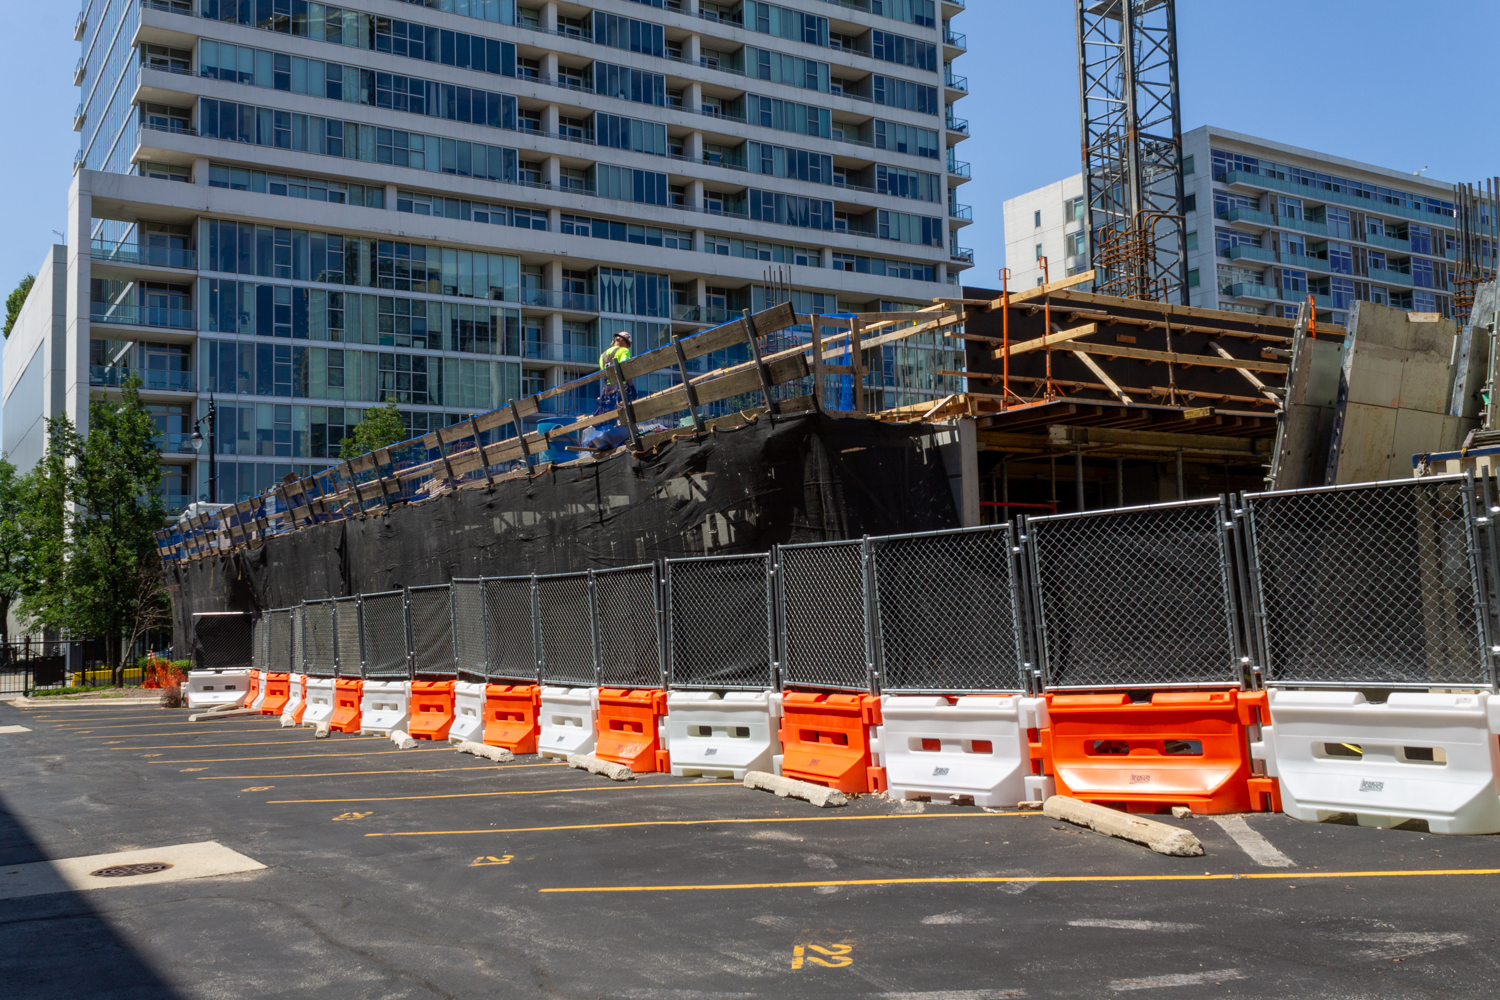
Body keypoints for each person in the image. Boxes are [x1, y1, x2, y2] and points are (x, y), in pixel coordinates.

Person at [594, 331, 634, 414]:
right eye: (627, 344)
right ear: (621, 340)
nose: (627, 347)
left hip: (607, 391)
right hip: (621, 389)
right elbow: (625, 370)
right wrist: (632, 388)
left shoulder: (603, 355)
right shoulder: (624, 351)